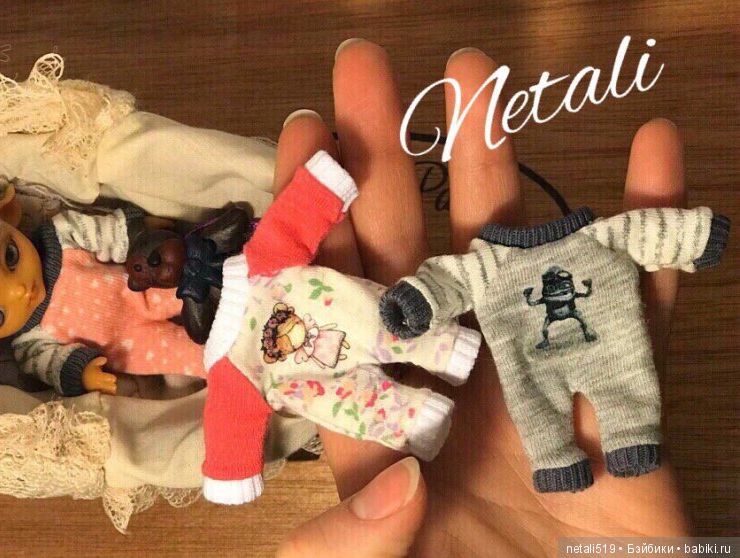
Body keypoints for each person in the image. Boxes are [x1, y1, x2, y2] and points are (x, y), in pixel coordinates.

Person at [274, 39, 689, 557]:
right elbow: (450, 281)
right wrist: (414, 304)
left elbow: (646, 232)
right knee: (541, 412)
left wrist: (693, 236)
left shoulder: (585, 244)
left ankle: (628, 441)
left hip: (597, 349)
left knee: (615, 395)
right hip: (536, 362)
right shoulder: (503, 261)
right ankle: (564, 459)